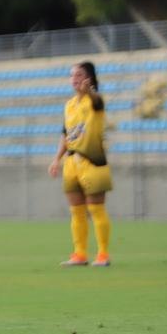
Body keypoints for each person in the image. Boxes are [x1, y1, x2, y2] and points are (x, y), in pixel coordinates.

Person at [48, 61, 112, 267]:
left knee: (96, 209)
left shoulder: (96, 100)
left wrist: (90, 92)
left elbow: (97, 103)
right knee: (76, 211)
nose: (74, 79)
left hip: (93, 161)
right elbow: (66, 135)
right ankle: (80, 254)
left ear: (89, 78)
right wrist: (56, 159)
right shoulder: (69, 105)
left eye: (79, 75)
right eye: (72, 75)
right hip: (71, 163)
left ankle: (103, 254)